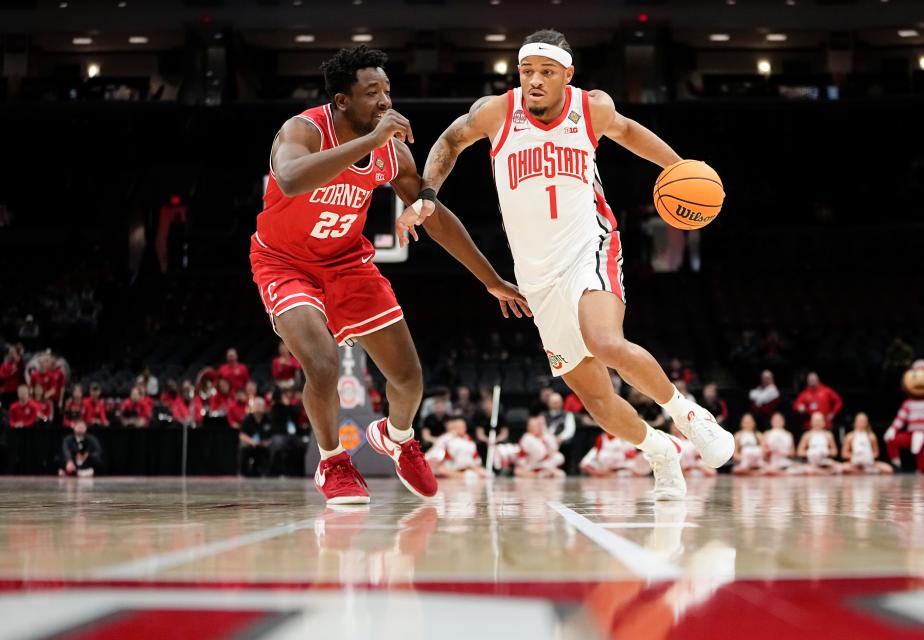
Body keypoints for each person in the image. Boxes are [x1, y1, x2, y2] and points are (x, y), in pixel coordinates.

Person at [410, 28, 733, 499]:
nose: (535, 80)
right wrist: (426, 194)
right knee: (596, 398)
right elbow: (449, 141)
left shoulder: (591, 108)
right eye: (527, 72)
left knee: (606, 342)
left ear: (567, 75)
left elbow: (629, 133)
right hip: (536, 274)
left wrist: (680, 169)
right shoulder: (496, 111)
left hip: (590, 244)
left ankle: (690, 416)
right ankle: (661, 450)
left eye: (546, 72)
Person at [249, 45, 527, 504]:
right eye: (371, 92)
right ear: (342, 100)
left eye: (387, 91)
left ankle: (397, 439)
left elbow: (431, 214)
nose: (384, 101)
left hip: (347, 262)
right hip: (285, 262)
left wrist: (490, 278)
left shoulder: (392, 153)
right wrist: (371, 141)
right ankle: (333, 462)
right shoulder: (304, 129)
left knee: (408, 378)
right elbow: (292, 178)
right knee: (321, 363)